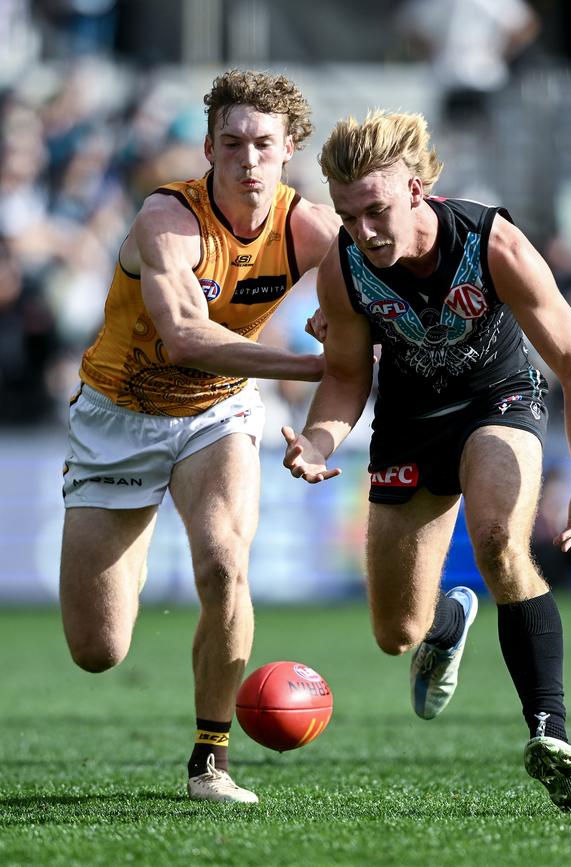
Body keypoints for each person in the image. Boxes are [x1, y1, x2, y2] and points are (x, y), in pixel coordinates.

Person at [282, 110, 571, 809]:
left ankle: (548, 729)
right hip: (407, 424)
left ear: (418, 187)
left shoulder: (495, 244)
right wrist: (317, 440)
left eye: (375, 211)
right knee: (394, 633)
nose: (363, 231)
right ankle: (441, 624)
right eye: (347, 215)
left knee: (497, 541)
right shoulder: (342, 269)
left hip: (498, 402)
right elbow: (345, 377)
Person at [59, 68, 339, 804]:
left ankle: (209, 761)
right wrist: (311, 362)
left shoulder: (309, 227)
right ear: (209, 148)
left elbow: (370, 295)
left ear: (289, 150)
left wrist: (343, 323)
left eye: (264, 145)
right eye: (233, 143)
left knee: (223, 562)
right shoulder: (167, 219)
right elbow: (184, 336)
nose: (248, 160)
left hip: (220, 411)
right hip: (117, 418)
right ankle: (135, 542)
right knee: (98, 649)